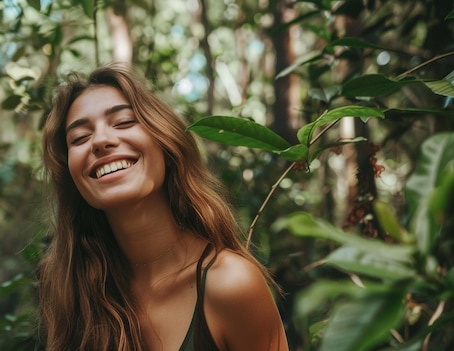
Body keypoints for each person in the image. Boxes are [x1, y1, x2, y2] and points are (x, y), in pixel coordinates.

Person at [40, 63, 289, 351]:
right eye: (79, 138)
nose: (101, 141)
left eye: (123, 122)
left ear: (165, 144)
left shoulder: (231, 283)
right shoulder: (73, 290)